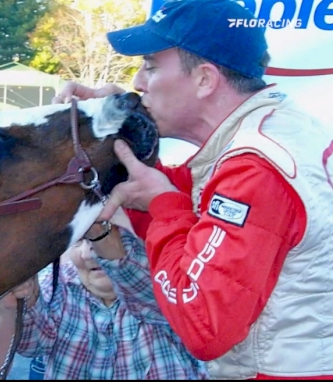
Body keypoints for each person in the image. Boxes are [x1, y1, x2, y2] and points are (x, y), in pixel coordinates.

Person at [54, 0, 333, 379]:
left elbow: (203, 325)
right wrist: (117, 120)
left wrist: (164, 204)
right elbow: (193, 194)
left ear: (205, 79)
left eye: (150, 66)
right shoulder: (272, 130)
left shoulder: (255, 168)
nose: (137, 82)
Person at [0, 210, 208, 380]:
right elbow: (33, 344)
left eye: (110, 232)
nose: (88, 254)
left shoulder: (167, 280)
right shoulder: (59, 283)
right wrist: (28, 299)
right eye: (78, 240)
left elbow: (153, 299)